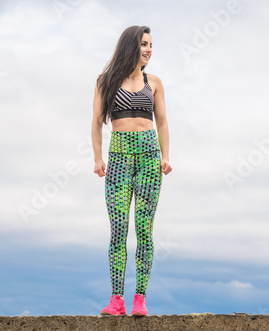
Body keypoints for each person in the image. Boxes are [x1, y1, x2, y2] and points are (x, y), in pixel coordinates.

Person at [91, 25, 172, 316]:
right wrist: (98, 158)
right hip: (119, 158)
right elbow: (96, 122)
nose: (149, 49)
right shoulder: (106, 81)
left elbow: (161, 121)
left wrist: (165, 156)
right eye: (144, 44)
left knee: (144, 229)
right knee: (118, 230)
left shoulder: (155, 82)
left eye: (151, 45)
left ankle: (140, 298)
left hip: (149, 156)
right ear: (130, 46)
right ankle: (116, 299)